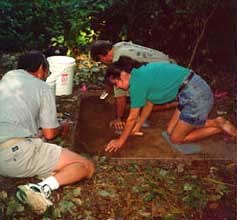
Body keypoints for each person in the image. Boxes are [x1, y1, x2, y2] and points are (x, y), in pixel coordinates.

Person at [0, 51, 94, 214]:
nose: (46, 76)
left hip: (7, 148)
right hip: (12, 157)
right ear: (41, 69)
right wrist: (62, 125)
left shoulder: (7, 78)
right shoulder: (42, 87)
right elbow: (50, 133)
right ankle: (40, 188)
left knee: (39, 142)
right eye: (47, 72)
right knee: (86, 166)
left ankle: (48, 172)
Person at [104, 56, 237, 152]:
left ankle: (217, 123)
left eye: (117, 83)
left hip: (196, 96)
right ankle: (214, 125)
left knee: (176, 139)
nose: (119, 87)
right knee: (170, 131)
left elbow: (131, 118)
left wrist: (120, 141)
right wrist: (138, 126)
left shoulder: (136, 84)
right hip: (190, 91)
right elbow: (149, 103)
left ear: (123, 74)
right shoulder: (138, 73)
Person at [90, 40, 177, 130]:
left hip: (168, 76)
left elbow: (120, 97)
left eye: (100, 60)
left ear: (101, 56)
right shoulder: (118, 46)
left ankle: (173, 103)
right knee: (132, 86)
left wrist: (118, 118)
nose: (103, 62)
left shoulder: (118, 61)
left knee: (136, 97)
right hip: (169, 65)